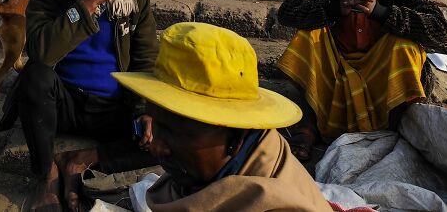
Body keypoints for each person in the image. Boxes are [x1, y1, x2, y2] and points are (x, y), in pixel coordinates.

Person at [0, 0, 159, 212]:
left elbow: (145, 60)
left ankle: (81, 160)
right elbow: (42, 52)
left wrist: (144, 110)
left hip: (113, 106)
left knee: (170, 135)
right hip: (63, 102)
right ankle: (47, 174)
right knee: (34, 75)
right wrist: (89, 2)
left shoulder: (135, 0)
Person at [112, 22, 333, 211]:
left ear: (236, 138)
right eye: (155, 124)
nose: (155, 147)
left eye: (172, 132)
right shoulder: (221, 168)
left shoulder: (274, 204)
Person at [276, 0, 447, 160]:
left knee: (407, 48)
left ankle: (390, 132)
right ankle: (307, 128)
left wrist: (381, 12)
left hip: (379, 70)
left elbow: (441, 32)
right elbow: (288, 12)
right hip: (337, 65)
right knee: (308, 35)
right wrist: (334, 9)